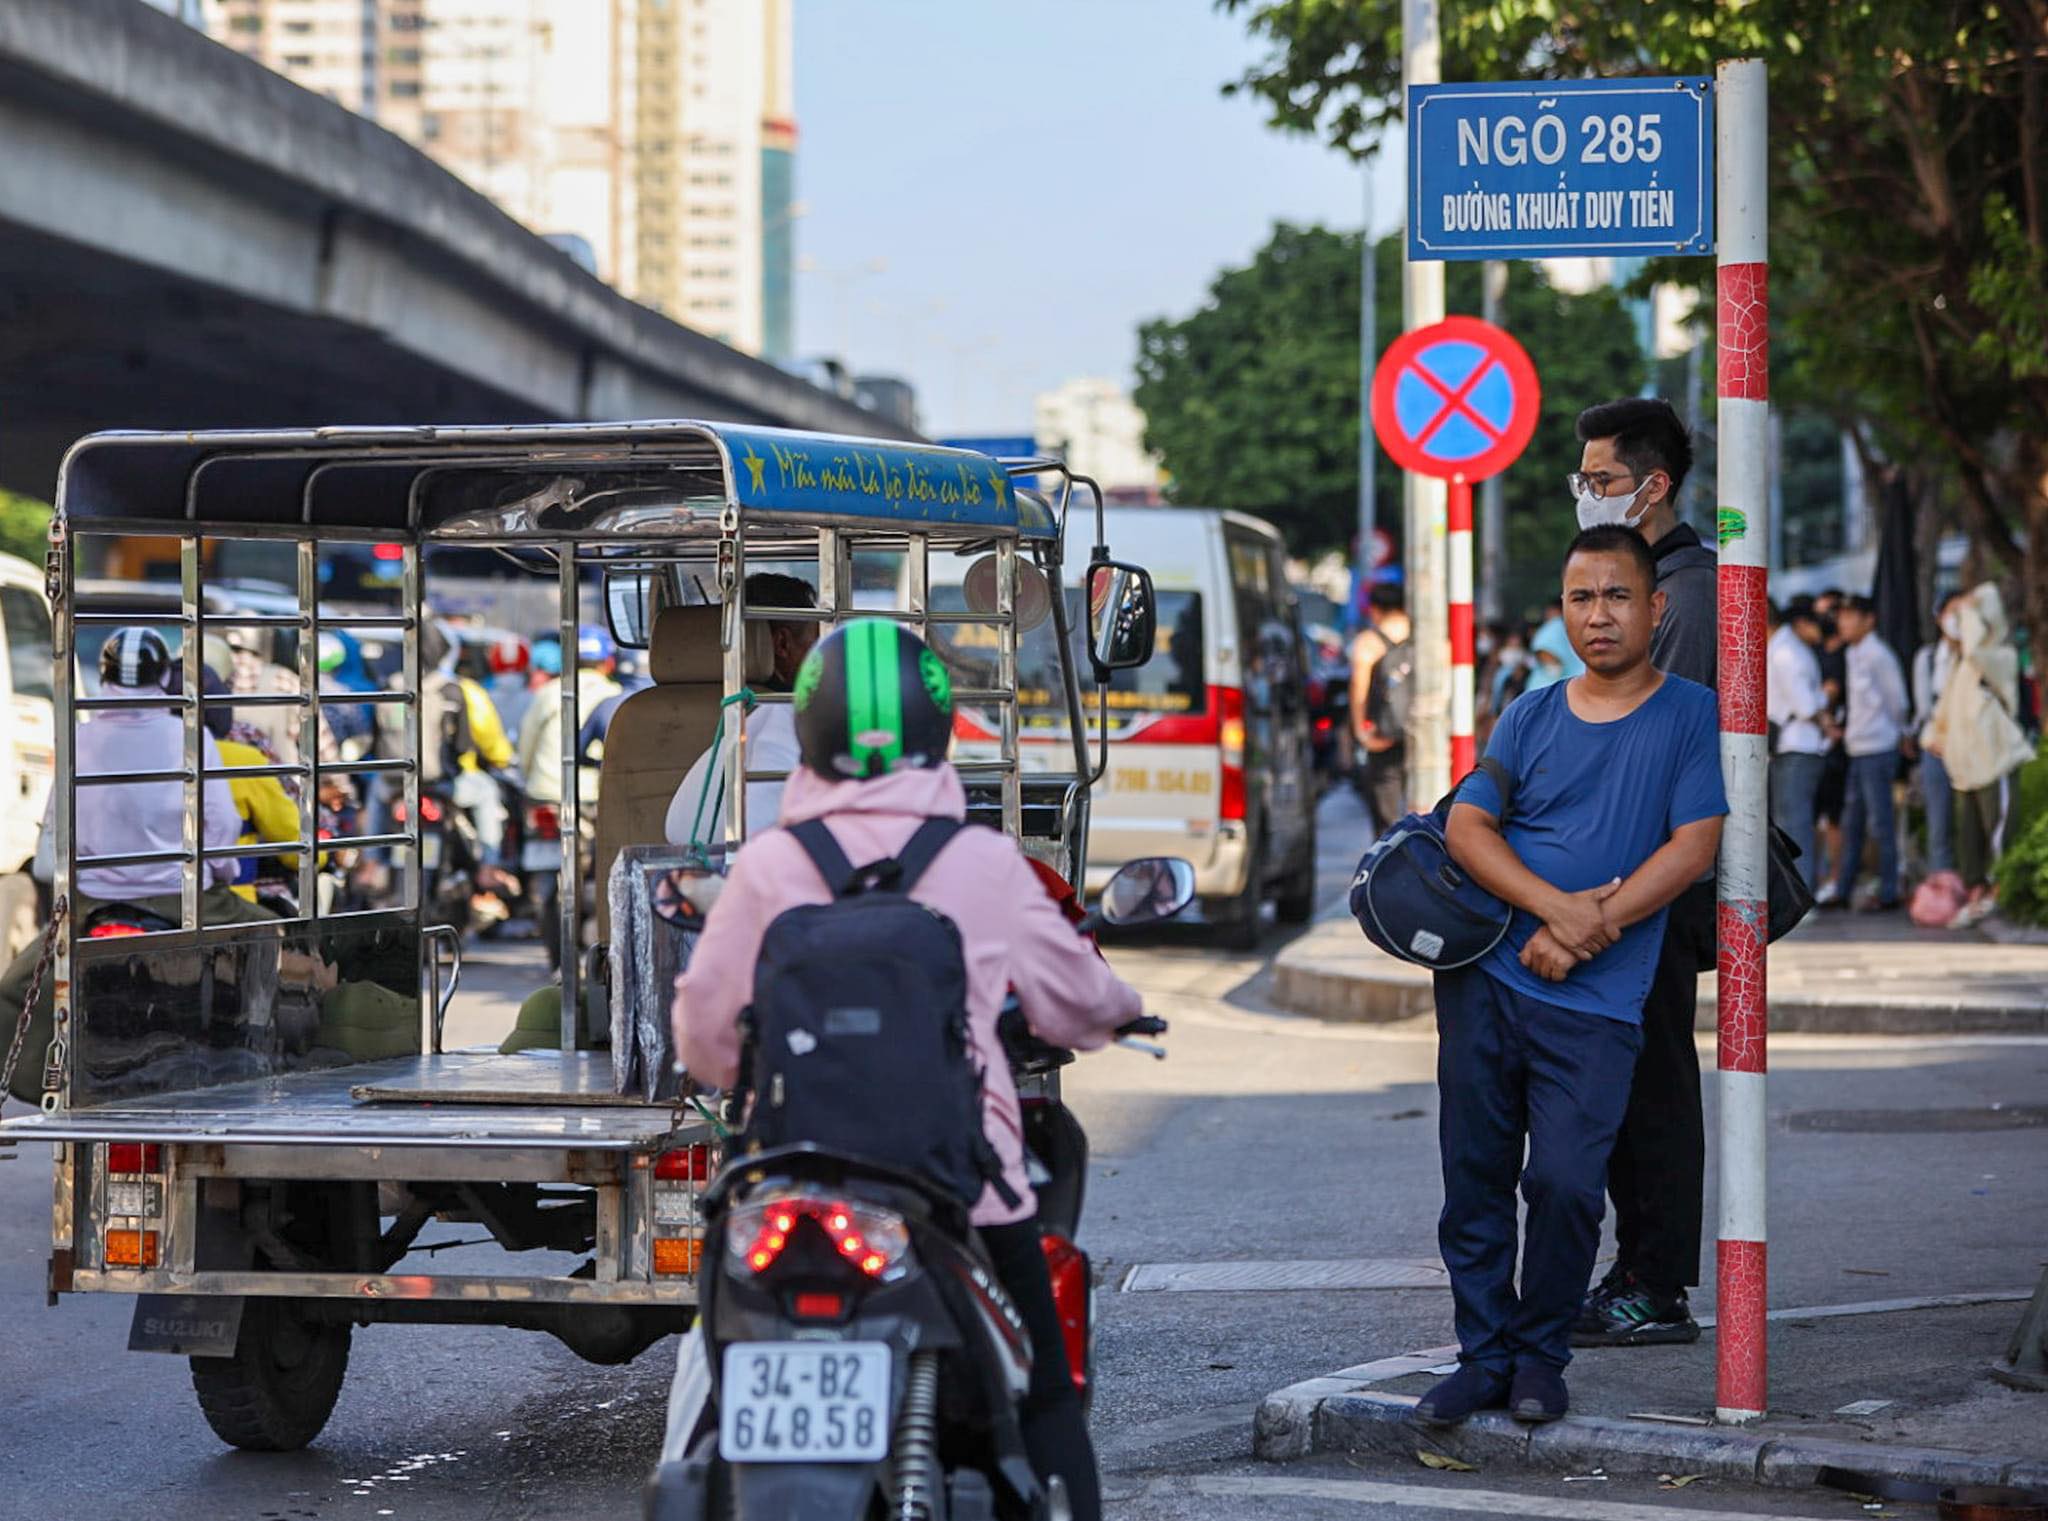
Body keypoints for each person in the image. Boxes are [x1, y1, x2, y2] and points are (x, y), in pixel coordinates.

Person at [671, 618, 1143, 1519]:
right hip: (961, 1187)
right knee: (1044, 1392)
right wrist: (1123, 1010)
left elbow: (703, 1038)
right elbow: (1077, 1005)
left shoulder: (772, 863)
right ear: (941, 727)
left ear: (809, 729)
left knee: (708, 1374)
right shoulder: (984, 863)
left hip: (786, 1186)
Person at [1419, 528, 1725, 1427]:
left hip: (1599, 1001)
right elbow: (1469, 829)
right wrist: (1559, 908)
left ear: (1654, 608)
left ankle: (1541, 1356)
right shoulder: (1529, 711)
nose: (1600, 614)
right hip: (1487, 982)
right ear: (1564, 611)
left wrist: (1595, 927)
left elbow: (1695, 845)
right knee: (1473, 1177)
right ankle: (1483, 1356)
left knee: (1563, 1183)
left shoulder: (1691, 714)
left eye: (1618, 596)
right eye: (1583, 597)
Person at [1567, 396, 1722, 1351]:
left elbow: (1662, 749)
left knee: (1655, 1083)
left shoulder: (1687, 595)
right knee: (1624, 1082)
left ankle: (1656, 1284)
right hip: (1621, 879)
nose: (1587, 496)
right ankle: (1638, 1267)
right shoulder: (1646, 577)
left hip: (1657, 881)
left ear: (1653, 487)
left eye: (1603, 481)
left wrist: (1604, 900)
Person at [3, 630, 269, 1104]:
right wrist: (223, 871)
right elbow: (222, 821)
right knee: (270, 936)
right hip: (182, 898)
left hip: (92, 903)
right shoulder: (189, 736)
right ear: (163, 677)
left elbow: (56, 832)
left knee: (15, 986)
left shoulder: (79, 738)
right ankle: (262, 1060)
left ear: (103, 676)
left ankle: (36, 1082)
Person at [663, 574, 822, 848]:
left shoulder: (631, 715)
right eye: (816, 640)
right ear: (783, 644)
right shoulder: (788, 716)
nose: (823, 656)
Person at [1928, 582, 2034, 926]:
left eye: (1963, 613)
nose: (1956, 619)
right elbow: (1943, 712)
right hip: (1966, 770)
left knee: (2000, 832)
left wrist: (1973, 607)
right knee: (1970, 839)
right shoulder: (1961, 665)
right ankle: (1976, 896)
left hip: (1994, 763)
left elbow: (1976, 648)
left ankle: (2003, 895)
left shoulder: (1998, 657)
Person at [1829, 594, 1910, 911]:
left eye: (1850, 617)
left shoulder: (1879, 654)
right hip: (1857, 748)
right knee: (1853, 823)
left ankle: (1889, 892)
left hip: (1878, 747)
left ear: (1869, 619)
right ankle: (1843, 889)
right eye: (1841, 617)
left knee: (1881, 823)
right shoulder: (1853, 653)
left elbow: (1897, 701)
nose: (1842, 623)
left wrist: (1901, 734)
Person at [1769, 596, 1836, 890]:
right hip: (1797, 744)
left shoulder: (1785, 651)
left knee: (1793, 823)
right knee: (1794, 821)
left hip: (1797, 746)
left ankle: (1801, 891)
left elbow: (1806, 704)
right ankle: (1800, 889)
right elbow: (1811, 702)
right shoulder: (1789, 651)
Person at [518, 623, 621, 814]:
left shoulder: (549, 692)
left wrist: (527, 773)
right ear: (608, 663)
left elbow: (527, 740)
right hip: (594, 794)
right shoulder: (615, 696)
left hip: (543, 791)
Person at [1912, 592, 1967, 877]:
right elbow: (1925, 709)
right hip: (1936, 747)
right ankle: (1942, 885)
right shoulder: (1929, 658)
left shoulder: (1976, 655)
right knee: (1939, 821)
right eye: (1951, 613)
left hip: (1970, 747)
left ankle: (1978, 885)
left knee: (1973, 821)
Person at [1353, 587, 1413, 834]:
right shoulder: (1428, 636)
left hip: (1384, 735)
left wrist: (1361, 733)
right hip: (1423, 734)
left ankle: (1389, 865)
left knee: (1386, 817)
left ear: (1375, 610)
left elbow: (1359, 687)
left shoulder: (1369, 642)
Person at [1811, 589, 1851, 901]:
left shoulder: (1846, 655)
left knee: (1835, 817)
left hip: (1840, 742)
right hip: (1822, 740)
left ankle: (1836, 878)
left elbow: (1831, 692)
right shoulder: (1816, 652)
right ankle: (1824, 876)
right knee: (1819, 817)